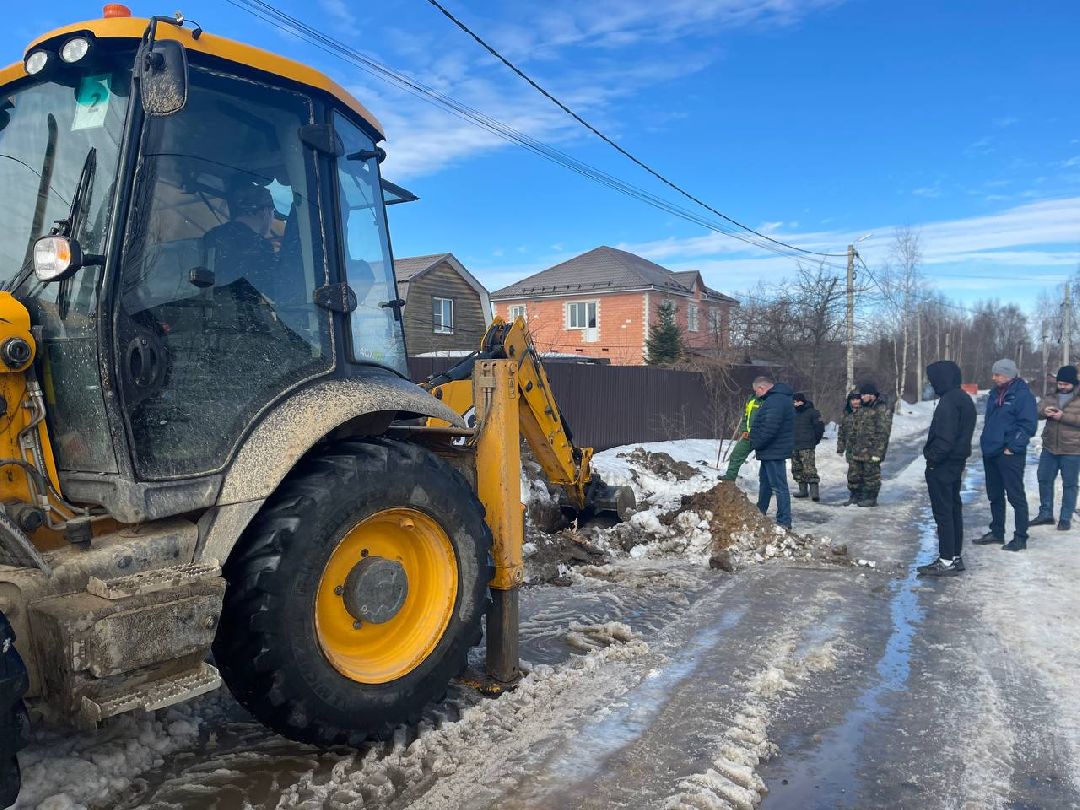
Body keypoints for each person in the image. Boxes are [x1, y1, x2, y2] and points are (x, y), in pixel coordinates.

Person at [917, 361, 977, 578]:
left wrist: (933, 459)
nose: (931, 384)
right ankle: (954, 556)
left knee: (943, 513)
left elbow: (945, 438)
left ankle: (946, 560)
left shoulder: (949, 402)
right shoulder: (963, 398)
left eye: (933, 379)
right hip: (956, 463)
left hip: (943, 465)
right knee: (953, 510)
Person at [973, 359, 1037, 551]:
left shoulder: (1022, 395)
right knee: (994, 494)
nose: (993, 378)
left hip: (1009, 454)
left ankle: (1020, 537)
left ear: (1008, 375)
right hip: (991, 451)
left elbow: (1028, 425)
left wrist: (1013, 447)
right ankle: (997, 532)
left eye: (997, 374)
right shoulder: (994, 394)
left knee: (1015, 496)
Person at [203, 182, 278, 293]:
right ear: (265, 212)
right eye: (273, 212)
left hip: (203, 302)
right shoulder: (261, 247)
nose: (273, 219)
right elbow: (270, 291)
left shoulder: (212, 235)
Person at [1031, 365, 1080, 531]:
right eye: (1060, 383)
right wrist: (1044, 411)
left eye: (1066, 384)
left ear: (1074, 383)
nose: (1062, 387)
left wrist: (1063, 416)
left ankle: (1065, 518)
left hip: (1072, 449)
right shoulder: (1051, 395)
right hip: (1049, 447)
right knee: (1044, 479)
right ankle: (1045, 513)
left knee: (1070, 484)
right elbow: (1036, 412)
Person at [749, 376, 795, 530]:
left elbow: (769, 427)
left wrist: (756, 443)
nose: (756, 395)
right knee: (766, 484)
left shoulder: (775, 401)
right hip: (771, 450)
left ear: (761, 388)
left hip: (774, 450)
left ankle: (784, 521)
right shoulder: (778, 399)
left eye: (756, 391)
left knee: (779, 486)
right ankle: (760, 511)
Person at [847, 382, 893, 507]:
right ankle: (856, 496)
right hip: (859, 449)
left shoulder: (881, 408)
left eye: (864, 395)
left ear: (871, 395)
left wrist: (878, 452)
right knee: (856, 474)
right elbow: (855, 428)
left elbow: (883, 433)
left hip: (872, 449)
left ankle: (871, 498)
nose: (861, 398)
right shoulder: (862, 408)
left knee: (871, 475)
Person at [791, 392, 825, 501]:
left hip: (807, 445)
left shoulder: (812, 412)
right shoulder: (791, 413)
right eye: (794, 402)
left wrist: (815, 440)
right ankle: (803, 490)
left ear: (803, 401)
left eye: (798, 401)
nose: (796, 404)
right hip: (794, 445)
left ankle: (814, 492)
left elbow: (819, 428)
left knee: (809, 469)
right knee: (797, 469)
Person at [723, 390, 761, 481]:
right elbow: (745, 416)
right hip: (748, 436)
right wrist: (744, 430)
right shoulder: (751, 399)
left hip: (763, 436)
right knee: (736, 454)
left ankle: (770, 485)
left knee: (769, 461)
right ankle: (729, 479)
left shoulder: (770, 400)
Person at [836, 391, 862, 505]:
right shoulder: (846, 414)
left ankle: (865, 496)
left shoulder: (866, 413)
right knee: (853, 473)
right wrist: (840, 448)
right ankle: (854, 495)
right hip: (851, 449)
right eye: (853, 399)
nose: (855, 402)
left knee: (865, 473)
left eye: (857, 399)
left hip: (864, 449)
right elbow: (842, 432)